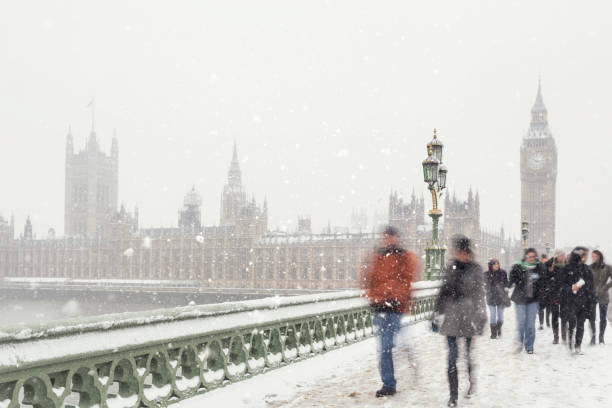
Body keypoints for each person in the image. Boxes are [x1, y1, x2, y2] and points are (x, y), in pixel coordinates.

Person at [362, 226, 419, 397]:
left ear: (396, 238)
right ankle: (389, 381)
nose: (387, 240)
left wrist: (397, 296)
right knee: (384, 347)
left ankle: (389, 382)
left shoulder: (404, 257)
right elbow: (368, 277)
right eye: (385, 237)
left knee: (386, 346)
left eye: (390, 237)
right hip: (380, 307)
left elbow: (408, 279)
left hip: (395, 307)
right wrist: (372, 296)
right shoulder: (377, 256)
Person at [432, 235, 486, 407]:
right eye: (459, 252)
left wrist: (481, 317)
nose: (462, 255)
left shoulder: (476, 269)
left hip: (469, 315)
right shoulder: (451, 268)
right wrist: (436, 313)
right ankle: (453, 396)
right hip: (452, 316)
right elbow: (443, 292)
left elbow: (479, 296)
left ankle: (471, 381)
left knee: (468, 355)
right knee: (452, 358)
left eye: (464, 252)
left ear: (468, 253)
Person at [509, 248, 546, 354]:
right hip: (520, 299)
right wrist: (513, 272)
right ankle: (518, 344)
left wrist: (542, 296)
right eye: (529, 256)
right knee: (521, 323)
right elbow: (511, 281)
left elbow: (543, 283)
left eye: (533, 256)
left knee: (530, 324)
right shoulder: (519, 267)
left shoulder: (539, 268)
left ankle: (529, 346)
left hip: (533, 300)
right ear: (525, 257)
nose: (531, 259)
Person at [562, 246, 595, 354]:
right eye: (585, 254)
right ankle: (571, 345)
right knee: (572, 323)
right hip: (570, 301)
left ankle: (578, 346)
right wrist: (571, 288)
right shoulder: (567, 268)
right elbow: (561, 285)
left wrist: (591, 301)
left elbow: (591, 286)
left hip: (584, 302)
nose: (586, 257)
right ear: (579, 255)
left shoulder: (586, 269)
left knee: (581, 324)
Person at [590, 250, 612, 344]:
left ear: (599, 256)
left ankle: (601, 337)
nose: (593, 258)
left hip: (603, 295)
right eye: (592, 256)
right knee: (592, 317)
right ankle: (593, 337)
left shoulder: (607, 267)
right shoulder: (590, 267)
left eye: (594, 256)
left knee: (603, 317)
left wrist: (605, 287)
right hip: (592, 295)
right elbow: (585, 280)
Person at [544, 249, 566, 344]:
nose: (564, 257)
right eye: (562, 255)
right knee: (555, 315)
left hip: (565, 293)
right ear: (557, 256)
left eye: (564, 255)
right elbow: (545, 278)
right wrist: (551, 286)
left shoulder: (567, 265)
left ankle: (564, 336)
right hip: (553, 294)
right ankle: (556, 336)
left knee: (565, 315)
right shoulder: (549, 265)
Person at [484, 258, 509, 339]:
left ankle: (498, 328)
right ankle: (493, 333)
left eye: (497, 263)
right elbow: (485, 285)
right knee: (493, 315)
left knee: (501, 317)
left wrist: (506, 288)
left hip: (501, 297)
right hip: (491, 297)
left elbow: (506, 283)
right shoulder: (486, 274)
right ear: (491, 265)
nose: (497, 265)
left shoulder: (503, 273)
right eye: (495, 264)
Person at [538, 254, 551, 329]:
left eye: (545, 259)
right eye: (543, 259)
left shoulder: (549, 266)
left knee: (548, 307)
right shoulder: (538, 266)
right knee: (541, 308)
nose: (544, 260)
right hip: (541, 290)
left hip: (548, 290)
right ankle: (541, 323)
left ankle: (547, 321)